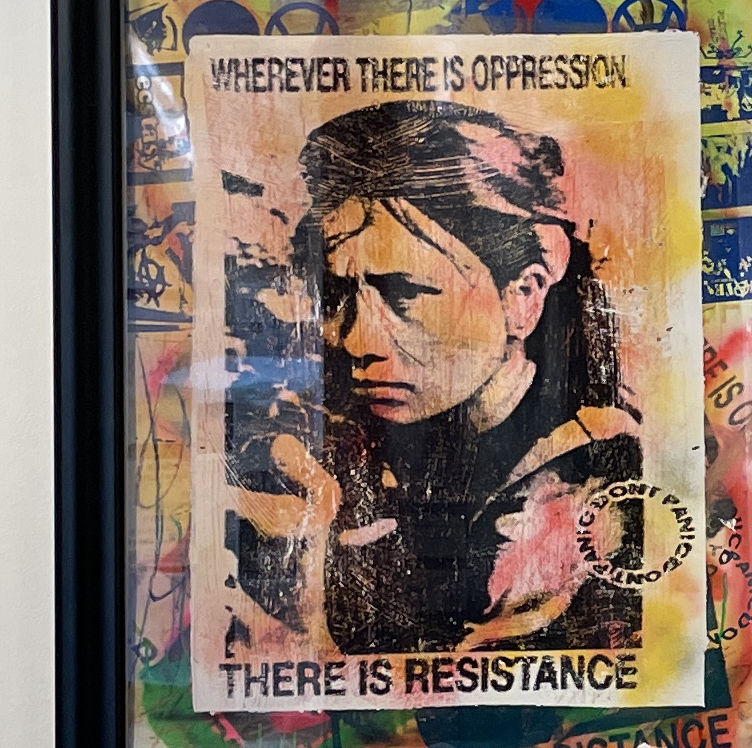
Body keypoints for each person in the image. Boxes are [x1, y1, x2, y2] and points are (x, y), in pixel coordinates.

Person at [225, 100, 648, 657]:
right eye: (336, 297)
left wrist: (302, 624)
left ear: (523, 297)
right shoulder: (336, 449)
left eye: (405, 293)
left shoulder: (596, 479)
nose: (356, 340)